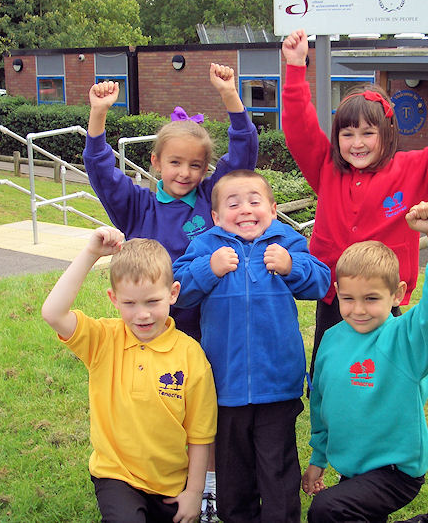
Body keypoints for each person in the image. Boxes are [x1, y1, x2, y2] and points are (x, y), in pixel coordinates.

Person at [280, 28, 428, 382]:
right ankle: (330, 433)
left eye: (367, 133)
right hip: (334, 299)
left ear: (387, 133)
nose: (357, 143)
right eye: (347, 134)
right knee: (329, 379)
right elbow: (298, 127)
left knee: (385, 381)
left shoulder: (412, 171)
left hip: (384, 302)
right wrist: (296, 68)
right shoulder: (326, 168)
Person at [83, 63, 258, 519]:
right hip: (146, 331)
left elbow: (244, 158)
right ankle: (141, 473)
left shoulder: (209, 201)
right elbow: (101, 170)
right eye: (175, 163)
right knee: (158, 407)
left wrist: (231, 98)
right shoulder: (136, 203)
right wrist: (98, 115)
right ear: (156, 163)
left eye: (196, 165)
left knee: (203, 408)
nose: (184, 173)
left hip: (204, 328)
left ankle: (208, 489)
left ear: (206, 170)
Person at [172, 169, 331, 523]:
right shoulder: (206, 246)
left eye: (254, 201)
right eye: (233, 203)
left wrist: (291, 267)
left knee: (278, 471)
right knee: (234, 476)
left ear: (273, 210)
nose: (244, 209)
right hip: (224, 387)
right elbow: (177, 290)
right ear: (215, 217)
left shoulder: (285, 241)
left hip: (277, 385)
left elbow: (321, 280)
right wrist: (208, 270)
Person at [301, 200, 428, 523]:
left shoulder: (407, 341)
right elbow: (323, 405)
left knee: (328, 510)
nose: (359, 309)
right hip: (354, 470)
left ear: (397, 294)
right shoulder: (333, 339)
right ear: (337, 292)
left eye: (372, 299)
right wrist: (318, 457)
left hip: (396, 471)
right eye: (349, 298)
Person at [41, 227, 217, 523]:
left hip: (170, 483)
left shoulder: (191, 356)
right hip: (116, 474)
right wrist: (90, 254)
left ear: (173, 293)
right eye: (130, 303)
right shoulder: (102, 340)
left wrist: (194, 492)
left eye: (152, 302)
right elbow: (53, 313)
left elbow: (200, 435)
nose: (142, 315)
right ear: (113, 299)